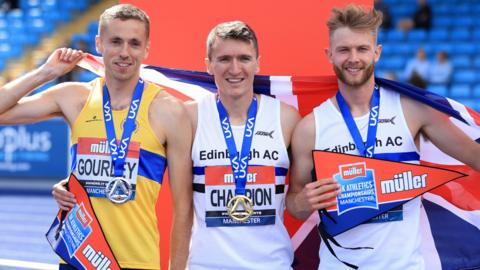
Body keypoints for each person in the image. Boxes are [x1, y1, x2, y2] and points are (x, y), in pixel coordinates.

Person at [286, 5, 480, 270]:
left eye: (362, 49)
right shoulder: (311, 128)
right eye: (343, 50)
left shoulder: (411, 110)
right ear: (329, 54)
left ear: (376, 53)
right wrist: (303, 201)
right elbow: (295, 206)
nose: (353, 58)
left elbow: (474, 157)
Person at [0, 4, 192, 270]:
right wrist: (47, 72)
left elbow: (183, 208)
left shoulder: (169, 111)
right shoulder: (74, 98)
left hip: (138, 261)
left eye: (134, 43)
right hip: (79, 257)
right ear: (99, 44)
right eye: (115, 42)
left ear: (146, 49)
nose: (124, 52)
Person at [185, 21, 300, 269]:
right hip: (206, 265)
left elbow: (299, 201)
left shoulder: (286, 118)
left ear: (258, 62)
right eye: (224, 59)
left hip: (272, 264)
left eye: (244, 58)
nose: (235, 69)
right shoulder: (189, 118)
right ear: (208, 65)